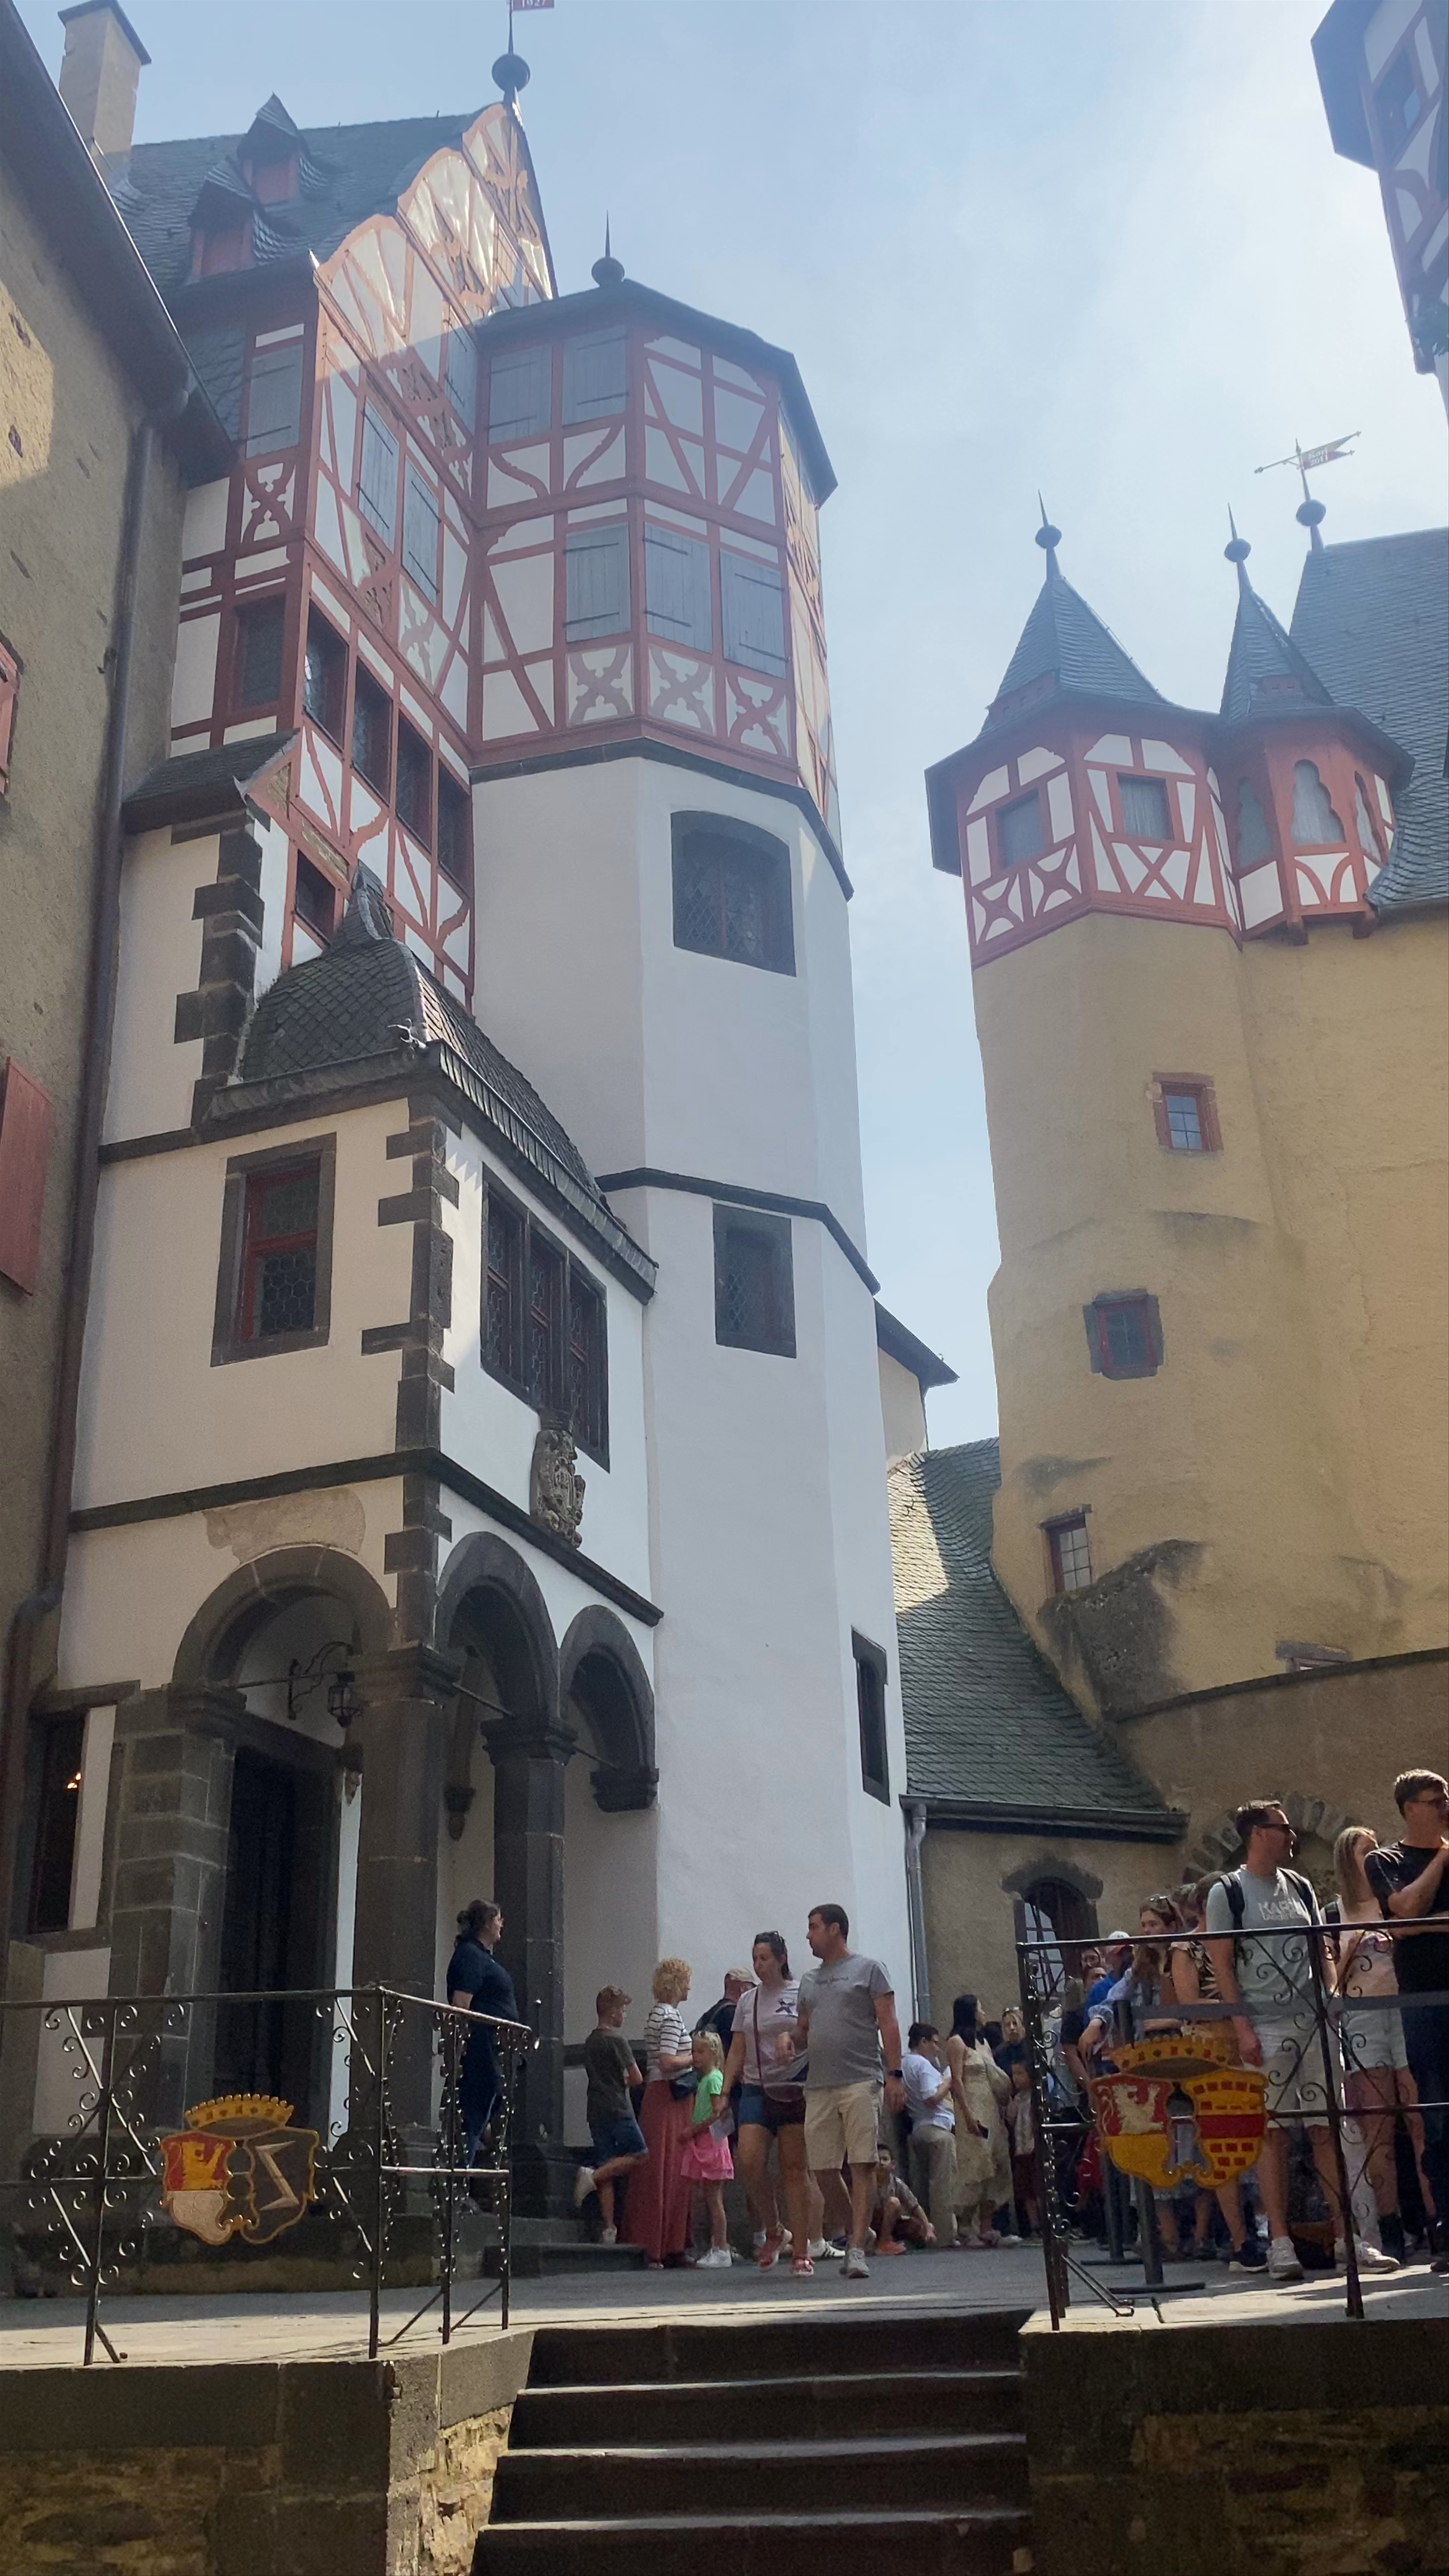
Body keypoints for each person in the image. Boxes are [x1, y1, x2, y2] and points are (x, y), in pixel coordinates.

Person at [1205, 1799, 1396, 2284]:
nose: (1292, 1835)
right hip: (1266, 2024)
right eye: (1283, 1827)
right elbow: (1222, 1964)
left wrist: (1331, 1993)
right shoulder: (1228, 1891)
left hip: (1314, 2020)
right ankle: (1281, 2243)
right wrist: (1242, 2027)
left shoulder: (1300, 1885)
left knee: (1327, 2125)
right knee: (1273, 2132)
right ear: (1257, 1832)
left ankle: (1347, 2237)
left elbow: (1319, 1945)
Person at [1333, 1825, 1433, 2267]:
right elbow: (1330, 1979)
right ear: (1347, 1857)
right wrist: (1353, 1946)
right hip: (1363, 2014)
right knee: (1378, 2127)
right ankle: (1389, 2227)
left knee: (1420, 2118)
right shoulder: (1335, 1911)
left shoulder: (1393, 1898)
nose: (1375, 1854)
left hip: (1404, 2006)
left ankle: (1433, 2220)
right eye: (1365, 1849)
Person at [1364, 1769, 1449, 2274]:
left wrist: (1418, 1926)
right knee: (1437, 2116)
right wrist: (1443, 1857)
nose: (1444, 1806)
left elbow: (1410, 1924)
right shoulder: (1387, 1860)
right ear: (1409, 1808)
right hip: (1425, 2002)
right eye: (1435, 1799)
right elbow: (1405, 1910)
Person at [795, 1902, 906, 2280]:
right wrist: (788, 2039)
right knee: (823, 2168)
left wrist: (895, 2074)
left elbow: (889, 2022)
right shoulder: (809, 1980)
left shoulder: (869, 1969)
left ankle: (856, 2248)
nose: (808, 1934)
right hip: (819, 2083)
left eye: (813, 1927)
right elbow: (803, 2028)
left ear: (835, 1929)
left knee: (862, 2163)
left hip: (861, 2078)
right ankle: (861, 2231)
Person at [1169, 1878, 1266, 2270]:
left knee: (1260, 2137)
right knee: (1222, 2143)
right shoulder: (1186, 1947)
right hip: (1210, 2051)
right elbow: (1189, 2002)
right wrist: (1236, 2006)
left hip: (1248, 2045)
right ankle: (1241, 2240)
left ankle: (1265, 2229)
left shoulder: (1241, 1941)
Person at [720, 1932, 823, 2279]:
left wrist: (793, 2042)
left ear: (781, 1959)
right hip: (757, 2087)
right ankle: (775, 2228)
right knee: (748, 2158)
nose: (759, 1965)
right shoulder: (747, 2001)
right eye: (755, 1958)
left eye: (764, 1958)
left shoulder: (801, 1993)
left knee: (794, 2170)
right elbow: (738, 2048)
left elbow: (812, 2034)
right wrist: (724, 2090)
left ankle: (803, 2251)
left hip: (795, 2086)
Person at [623, 1958, 696, 2268]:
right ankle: (664, 2245)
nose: (689, 1987)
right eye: (686, 1981)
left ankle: (660, 2242)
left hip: (660, 2095)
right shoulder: (671, 2017)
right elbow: (667, 2061)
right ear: (677, 1984)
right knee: (669, 2170)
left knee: (660, 2170)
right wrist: (697, 2058)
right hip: (670, 2096)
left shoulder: (658, 2014)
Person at [445, 1899, 518, 2164]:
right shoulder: (471, 1956)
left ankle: (466, 2164)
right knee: (475, 2109)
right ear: (487, 1923)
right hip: (480, 2045)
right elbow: (461, 2004)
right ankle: (460, 2169)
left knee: (485, 2107)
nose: (501, 1924)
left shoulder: (482, 1956)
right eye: (498, 1919)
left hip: (492, 2045)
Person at [572, 1986, 647, 2246]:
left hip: (595, 2108)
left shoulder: (590, 2041)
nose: (624, 2015)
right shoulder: (618, 2042)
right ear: (613, 2011)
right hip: (618, 2106)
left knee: (607, 2161)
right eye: (623, 2010)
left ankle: (609, 2228)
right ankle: (591, 2177)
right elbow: (636, 2077)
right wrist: (623, 2082)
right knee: (639, 2153)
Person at [947, 1994, 1011, 2247]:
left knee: (996, 2164)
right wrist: (966, 2115)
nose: (984, 2013)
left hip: (991, 2107)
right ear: (972, 2013)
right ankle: (965, 2226)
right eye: (980, 2009)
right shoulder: (956, 2043)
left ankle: (987, 2224)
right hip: (972, 2108)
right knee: (976, 2166)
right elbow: (957, 2080)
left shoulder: (984, 2043)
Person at [679, 2027, 734, 2267]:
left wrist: (693, 2130)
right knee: (707, 2197)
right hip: (704, 2141)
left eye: (701, 2052)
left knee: (714, 2198)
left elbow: (717, 2113)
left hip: (710, 2141)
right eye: (694, 2051)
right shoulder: (706, 2080)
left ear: (713, 2053)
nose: (695, 2056)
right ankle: (713, 2245)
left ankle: (721, 2248)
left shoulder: (713, 2079)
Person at [902, 2022, 958, 2248]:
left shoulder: (905, 2063)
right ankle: (944, 2236)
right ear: (923, 2042)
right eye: (934, 2043)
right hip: (936, 2128)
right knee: (942, 2185)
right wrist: (949, 2082)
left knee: (923, 2185)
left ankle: (925, 2233)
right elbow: (931, 2098)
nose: (937, 2049)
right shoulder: (923, 2065)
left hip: (919, 2128)